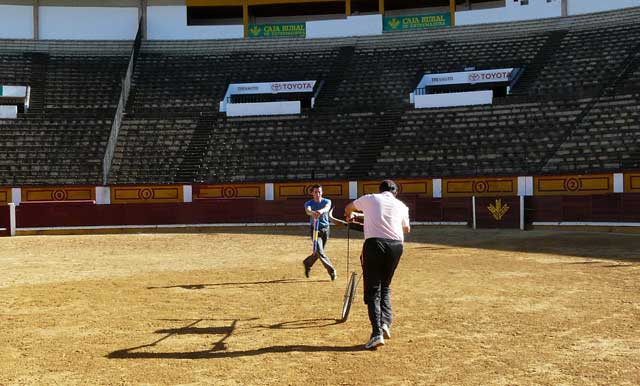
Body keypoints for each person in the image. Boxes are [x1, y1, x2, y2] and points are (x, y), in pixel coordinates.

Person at [344, 179, 410, 350]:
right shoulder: (402, 205)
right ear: (395, 193)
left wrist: (353, 216)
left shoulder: (371, 198)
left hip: (375, 245)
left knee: (373, 290)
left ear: (380, 190)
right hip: (396, 246)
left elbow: (348, 208)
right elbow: (406, 229)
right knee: (385, 286)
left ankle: (376, 333)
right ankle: (386, 323)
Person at [303, 184, 337, 281]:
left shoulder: (327, 201)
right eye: (315, 192)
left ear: (322, 193)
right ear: (312, 193)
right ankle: (331, 271)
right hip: (315, 230)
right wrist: (312, 213)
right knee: (320, 251)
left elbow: (327, 208)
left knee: (319, 252)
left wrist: (321, 211)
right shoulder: (308, 203)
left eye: (319, 192)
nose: (318, 194)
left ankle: (308, 263)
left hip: (325, 229)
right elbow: (308, 211)